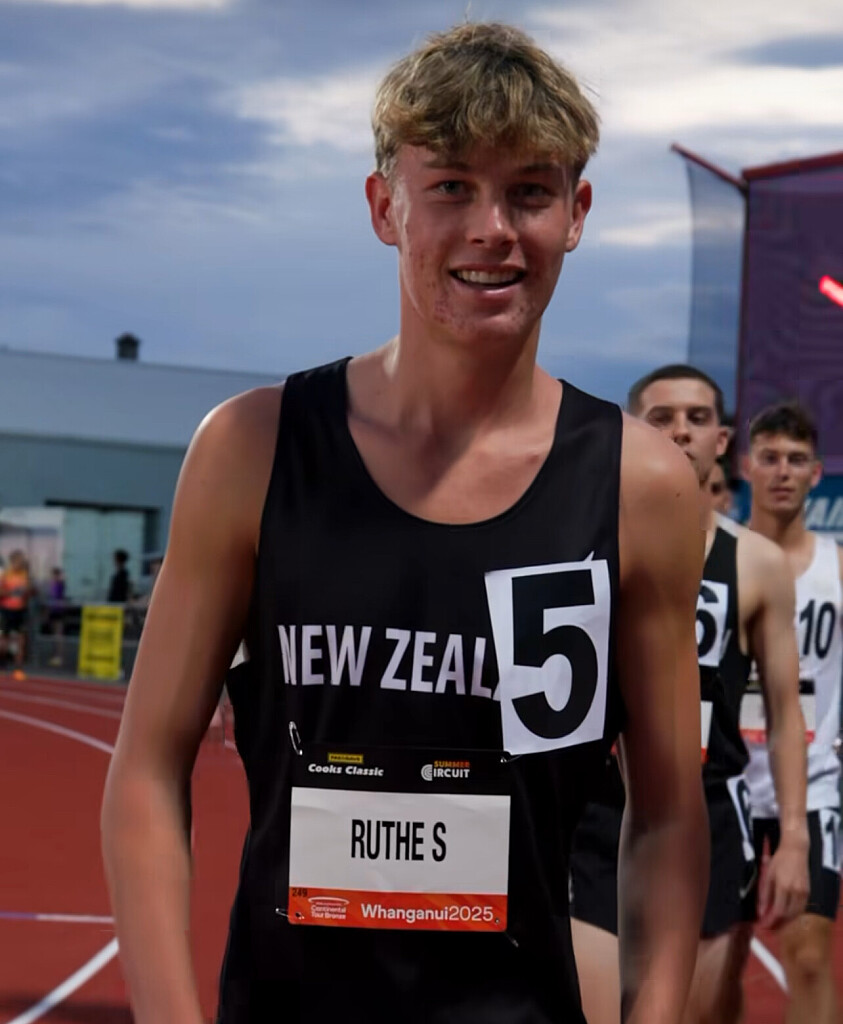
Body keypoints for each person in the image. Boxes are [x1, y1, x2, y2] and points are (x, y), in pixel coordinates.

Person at [101, 23, 708, 1024]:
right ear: (385, 207)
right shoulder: (252, 450)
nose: (492, 229)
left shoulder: (638, 486)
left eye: (529, 192)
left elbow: (670, 817)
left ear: (577, 213)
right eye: (452, 187)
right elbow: (147, 771)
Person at [570, 364, 809, 1024]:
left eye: (696, 418)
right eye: (662, 417)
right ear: (631, 430)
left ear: (721, 439)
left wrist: (793, 835)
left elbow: (785, 712)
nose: (679, 431)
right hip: (597, 811)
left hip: (706, 816)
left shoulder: (756, 563)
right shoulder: (581, 546)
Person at [742, 401, 841, 1024]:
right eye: (771, 457)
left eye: (797, 460)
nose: (783, 471)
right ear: (746, 465)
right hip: (724, 785)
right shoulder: (715, 558)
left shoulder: (837, 567)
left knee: (808, 955)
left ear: (817, 472)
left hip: (813, 784)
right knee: (715, 963)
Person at [0, 549, 34, 677]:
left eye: (22, 560)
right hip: (6, 610)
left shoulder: (25, 575)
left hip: (21, 611)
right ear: (13, 561)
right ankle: (2, 662)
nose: (21, 562)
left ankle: (18, 668)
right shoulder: (6, 575)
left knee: (21, 639)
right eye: (19, 560)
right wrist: (12, 592)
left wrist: (28, 592)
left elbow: (30, 593)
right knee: (5, 639)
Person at [45, 566, 67, 667]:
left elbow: (58, 594)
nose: (54, 577)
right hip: (53, 611)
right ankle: (55, 655)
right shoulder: (53, 585)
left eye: (56, 575)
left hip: (58, 611)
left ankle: (59, 656)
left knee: (58, 634)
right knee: (55, 634)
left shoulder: (59, 584)